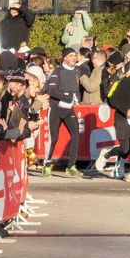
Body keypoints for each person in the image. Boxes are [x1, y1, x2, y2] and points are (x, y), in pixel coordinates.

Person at [44, 47, 82, 178]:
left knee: (76, 133)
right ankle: (47, 164)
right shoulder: (58, 71)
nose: (74, 58)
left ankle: (71, 166)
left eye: (75, 56)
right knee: (54, 137)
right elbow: (51, 90)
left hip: (69, 109)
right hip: (56, 109)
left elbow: (76, 90)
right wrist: (66, 96)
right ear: (64, 57)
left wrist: (77, 98)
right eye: (71, 55)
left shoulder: (77, 71)